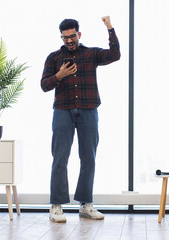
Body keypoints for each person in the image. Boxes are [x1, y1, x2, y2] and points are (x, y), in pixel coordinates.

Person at [40, 16, 120, 223]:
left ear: (79, 34)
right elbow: (44, 85)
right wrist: (59, 75)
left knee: (88, 158)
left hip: (88, 110)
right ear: (61, 37)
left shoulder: (91, 54)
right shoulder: (54, 57)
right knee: (59, 158)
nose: (69, 40)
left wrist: (110, 28)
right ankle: (56, 206)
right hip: (62, 111)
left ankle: (85, 204)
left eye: (72, 36)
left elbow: (115, 54)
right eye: (65, 37)